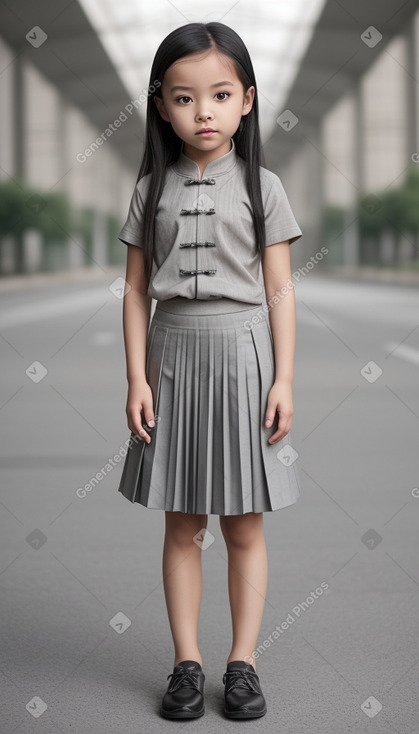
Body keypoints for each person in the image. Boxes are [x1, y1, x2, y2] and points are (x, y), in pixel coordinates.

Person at [117, 21, 303, 721]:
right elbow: (136, 291)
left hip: (244, 360)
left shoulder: (264, 187)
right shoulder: (149, 189)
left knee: (244, 526)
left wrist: (283, 378)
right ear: (161, 105)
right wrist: (136, 378)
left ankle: (243, 663)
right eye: (184, 97)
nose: (203, 112)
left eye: (219, 95)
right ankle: (186, 664)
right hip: (172, 359)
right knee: (182, 524)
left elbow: (281, 290)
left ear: (247, 101)